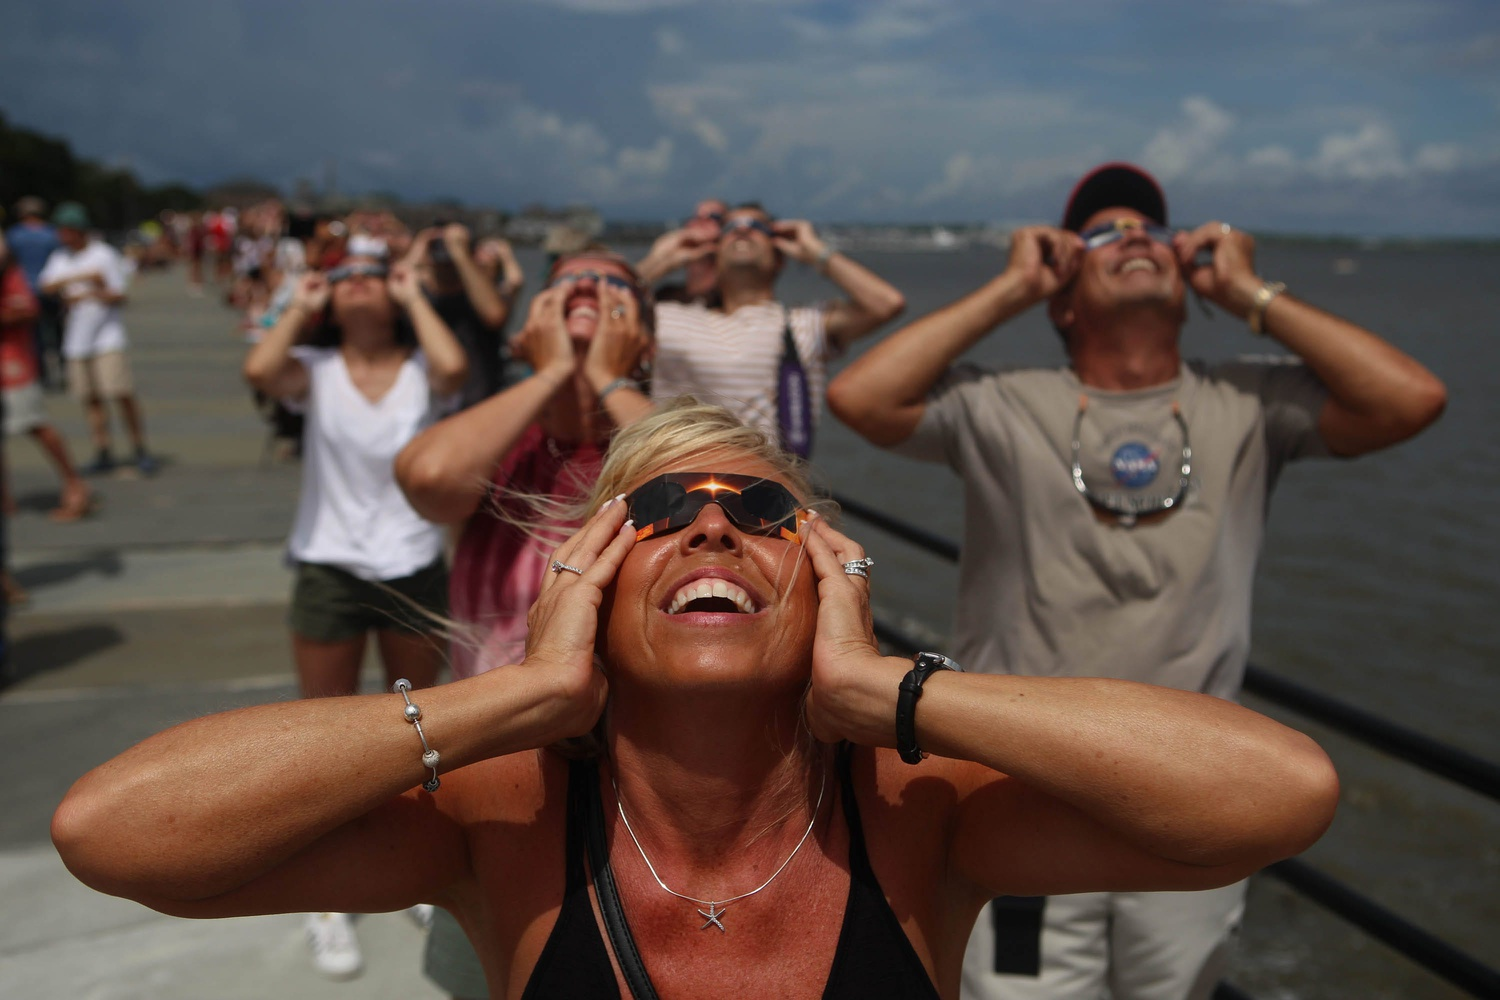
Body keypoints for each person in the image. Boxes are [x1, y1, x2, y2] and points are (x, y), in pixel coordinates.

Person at [51, 399, 1339, 999]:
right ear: (591, 583)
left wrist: (889, 690)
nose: (712, 532)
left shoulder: (915, 808)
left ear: (822, 571)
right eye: (659, 513)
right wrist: (516, 699)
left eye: (762, 513)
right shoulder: (507, 813)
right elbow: (115, 833)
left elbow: (1278, 797)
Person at [827, 162, 1448, 1000]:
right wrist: (1011, 287)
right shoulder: (1003, 402)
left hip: (1193, 787)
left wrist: (1249, 293)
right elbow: (860, 396)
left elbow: (1411, 400)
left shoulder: (1250, 399)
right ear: (1064, 294)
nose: (1134, 239)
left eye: (1151, 229)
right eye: (1103, 233)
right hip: (1023, 791)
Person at [396, 248, 653, 999]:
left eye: (613, 285)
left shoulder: (664, 434)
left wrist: (611, 380)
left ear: (646, 336)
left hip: (635, 788)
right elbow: (432, 479)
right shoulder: (505, 444)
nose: (587, 288)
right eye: (567, 282)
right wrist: (542, 374)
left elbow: (717, 480)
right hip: (492, 773)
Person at [241, 248, 468, 979]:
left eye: (377, 277)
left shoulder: (421, 373)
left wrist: (414, 294)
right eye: (349, 281)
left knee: (416, 723)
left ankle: (413, 869)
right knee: (321, 727)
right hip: (329, 561)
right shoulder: (316, 369)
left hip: (411, 560)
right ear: (330, 304)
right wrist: (302, 301)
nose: (362, 285)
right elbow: (258, 371)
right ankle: (326, 898)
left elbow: (456, 367)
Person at [639, 202, 905, 457]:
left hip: (762, 491)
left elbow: (885, 304)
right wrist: (660, 260)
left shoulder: (802, 325)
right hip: (669, 480)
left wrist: (815, 251)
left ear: (780, 258)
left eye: (757, 226)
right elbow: (604, 308)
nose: (743, 229)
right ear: (714, 254)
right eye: (731, 228)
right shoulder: (666, 316)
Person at [36, 202, 159, 476]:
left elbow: (120, 295)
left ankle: (139, 447)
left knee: (120, 392)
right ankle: (102, 447)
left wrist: (90, 292)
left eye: (66, 231)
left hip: (106, 337)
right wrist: (84, 278)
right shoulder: (60, 257)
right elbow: (46, 285)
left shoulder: (103, 254)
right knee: (90, 398)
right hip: (76, 339)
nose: (62, 236)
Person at [0, 232, 93, 529]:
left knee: (35, 423)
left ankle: (74, 484)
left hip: (12, 363)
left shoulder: (10, 273)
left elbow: (27, 308)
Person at [405, 222, 519, 410]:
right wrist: (415, 254)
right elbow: (395, 282)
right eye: (437, 244)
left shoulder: (483, 294)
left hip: (478, 405)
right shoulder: (412, 296)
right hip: (423, 409)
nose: (443, 250)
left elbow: (495, 315)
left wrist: (461, 253)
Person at [5, 197, 62, 388]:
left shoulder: (14, 235)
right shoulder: (51, 234)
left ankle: (39, 374)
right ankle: (61, 369)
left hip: (24, 292)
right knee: (56, 332)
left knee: (34, 336)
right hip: (50, 289)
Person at [639, 197, 727, 305]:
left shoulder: (730, 297)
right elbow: (620, 289)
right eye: (697, 217)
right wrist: (661, 259)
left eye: (714, 217)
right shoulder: (666, 295)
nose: (701, 221)